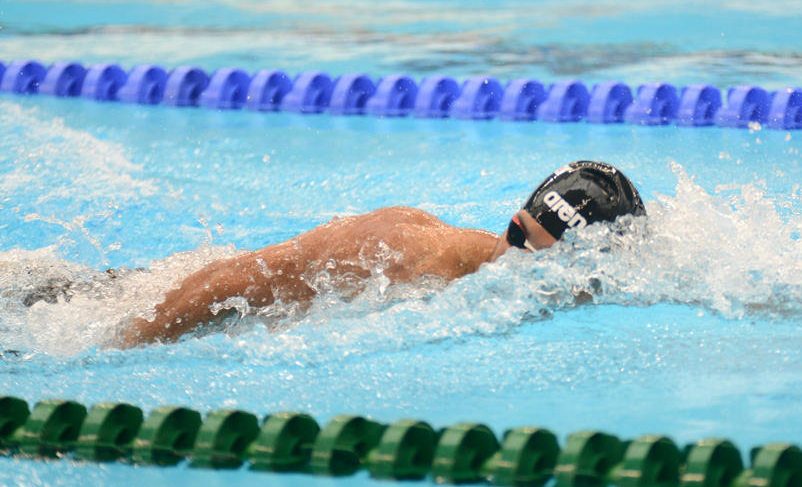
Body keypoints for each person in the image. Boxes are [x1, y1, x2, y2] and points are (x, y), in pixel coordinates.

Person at [118, 160, 646, 347]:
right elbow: (226, 281)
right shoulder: (403, 251)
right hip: (137, 300)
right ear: (512, 229)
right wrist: (125, 343)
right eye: (535, 255)